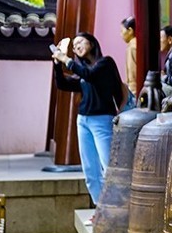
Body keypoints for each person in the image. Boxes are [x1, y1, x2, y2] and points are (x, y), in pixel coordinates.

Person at [51, 32, 125, 215]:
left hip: (102, 121)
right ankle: (102, 211)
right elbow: (63, 85)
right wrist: (57, 66)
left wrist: (65, 58)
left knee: (108, 166)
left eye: (80, 42)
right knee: (90, 172)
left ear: (91, 43)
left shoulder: (105, 64)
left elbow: (90, 74)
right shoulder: (83, 71)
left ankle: (118, 210)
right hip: (83, 121)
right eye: (74, 45)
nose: (76, 46)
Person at [120, 16, 139, 110]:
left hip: (134, 89)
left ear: (130, 30)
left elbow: (133, 72)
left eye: (122, 30)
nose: (121, 34)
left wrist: (133, 90)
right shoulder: (138, 43)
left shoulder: (132, 46)